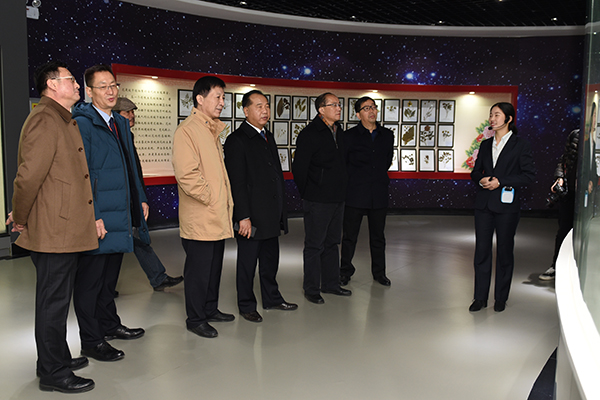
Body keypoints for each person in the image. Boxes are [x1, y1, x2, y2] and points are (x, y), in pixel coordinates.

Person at [5, 60, 97, 393]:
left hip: (63, 228)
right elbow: (28, 177)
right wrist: (20, 217)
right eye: (71, 79)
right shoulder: (45, 119)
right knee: (52, 302)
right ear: (52, 84)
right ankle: (53, 372)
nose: (77, 85)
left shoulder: (60, 118)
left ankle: (53, 358)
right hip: (54, 229)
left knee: (57, 300)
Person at [72, 65, 147, 362]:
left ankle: (109, 324)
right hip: (100, 216)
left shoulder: (119, 122)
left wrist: (139, 199)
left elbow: (131, 167)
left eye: (113, 85)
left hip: (120, 214)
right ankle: (91, 340)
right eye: (103, 86)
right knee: (89, 282)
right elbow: (82, 175)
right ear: (89, 92)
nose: (111, 91)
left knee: (108, 280)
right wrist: (93, 215)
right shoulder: (82, 123)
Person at [224, 90, 298, 323]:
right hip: (251, 216)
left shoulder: (267, 136)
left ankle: (272, 298)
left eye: (267, 106)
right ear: (246, 111)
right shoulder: (237, 140)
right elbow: (236, 183)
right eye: (259, 106)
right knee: (247, 264)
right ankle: (246, 305)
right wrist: (243, 216)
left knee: (270, 261)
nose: (265, 110)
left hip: (270, 213)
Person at [172, 76, 235, 338]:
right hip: (201, 215)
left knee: (214, 267)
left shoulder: (211, 130)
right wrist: (211, 198)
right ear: (200, 99)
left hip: (215, 214)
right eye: (217, 97)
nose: (222, 102)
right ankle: (196, 318)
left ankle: (210, 309)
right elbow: (187, 175)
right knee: (198, 271)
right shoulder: (187, 130)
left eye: (223, 97)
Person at [469, 102, 536, 312]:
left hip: (507, 206)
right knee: (481, 251)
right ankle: (480, 298)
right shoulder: (485, 145)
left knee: (505, 252)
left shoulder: (521, 145)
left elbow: (528, 176)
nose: (492, 118)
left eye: (497, 115)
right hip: (484, 205)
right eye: (491, 115)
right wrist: (480, 180)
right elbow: (475, 172)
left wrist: (501, 181)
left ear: (509, 119)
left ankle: (500, 298)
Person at [112, 97, 183, 291]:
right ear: (116, 116)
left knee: (137, 239)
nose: (132, 115)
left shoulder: (127, 136)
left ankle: (157, 278)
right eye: (127, 112)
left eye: (133, 112)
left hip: (132, 199)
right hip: (120, 201)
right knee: (119, 244)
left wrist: (140, 197)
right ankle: (104, 288)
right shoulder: (114, 138)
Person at [292, 92, 351, 304]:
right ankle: (311, 288)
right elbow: (299, 169)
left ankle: (331, 284)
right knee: (314, 245)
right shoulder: (309, 134)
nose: (338, 108)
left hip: (338, 198)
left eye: (339, 104)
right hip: (317, 200)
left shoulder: (339, 132)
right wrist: (309, 193)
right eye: (333, 104)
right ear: (321, 109)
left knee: (332, 243)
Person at [340, 96, 394, 287]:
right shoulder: (348, 136)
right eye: (366, 108)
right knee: (349, 236)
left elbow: (387, 160)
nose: (372, 111)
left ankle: (379, 273)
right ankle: (345, 271)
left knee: (378, 237)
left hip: (378, 191)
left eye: (373, 107)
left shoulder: (387, 135)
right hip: (355, 192)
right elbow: (344, 163)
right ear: (358, 114)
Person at [539, 129, 579, 281]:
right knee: (564, 231)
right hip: (569, 195)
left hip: (588, 198)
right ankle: (556, 266)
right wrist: (560, 178)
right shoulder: (575, 137)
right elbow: (563, 162)